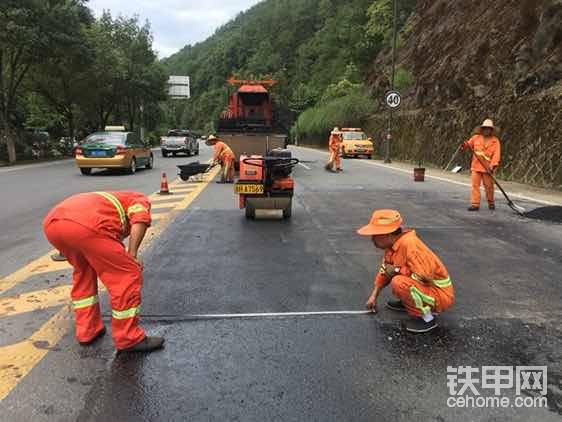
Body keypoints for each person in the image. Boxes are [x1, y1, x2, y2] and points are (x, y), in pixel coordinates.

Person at [43, 191, 164, 353]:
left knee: (83, 273)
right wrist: (132, 254)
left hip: (53, 225)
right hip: (87, 225)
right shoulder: (139, 199)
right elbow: (140, 220)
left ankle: (88, 331)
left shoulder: (107, 202)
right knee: (127, 274)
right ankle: (129, 338)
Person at [358, 209, 454, 333]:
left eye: (375, 235)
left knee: (399, 282)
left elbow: (425, 277)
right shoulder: (391, 247)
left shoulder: (411, 245)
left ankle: (426, 318)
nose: (372, 239)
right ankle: (410, 302)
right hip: (427, 290)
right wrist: (374, 296)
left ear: (387, 234)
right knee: (396, 277)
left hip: (440, 294)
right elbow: (385, 271)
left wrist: (397, 270)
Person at [461, 119, 501, 211]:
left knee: (489, 186)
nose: (486, 130)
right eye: (485, 128)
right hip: (476, 166)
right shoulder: (476, 138)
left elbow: (496, 155)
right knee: (475, 185)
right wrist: (464, 145)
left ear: (491, 130)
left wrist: (493, 165)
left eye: (488, 129)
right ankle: (475, 204)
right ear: (482, 129)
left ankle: (491, 202)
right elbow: (468, 144)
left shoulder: (495, 141)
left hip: (488, 168)